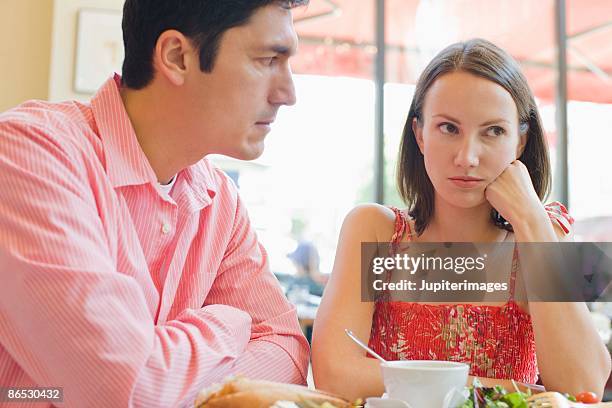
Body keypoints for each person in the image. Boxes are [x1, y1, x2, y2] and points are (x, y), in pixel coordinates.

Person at [0, 1, 310, 406]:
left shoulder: (220, 203)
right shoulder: (30, 155)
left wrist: (166, 374)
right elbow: (122, 391)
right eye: (268, 59)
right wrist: (229, 324)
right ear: (177, 57)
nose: (288, 94)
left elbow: (288, 355)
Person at [311, 39, 611, 401]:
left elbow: (584, 387)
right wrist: (492, 389)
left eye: (493, 131)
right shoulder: (374, 230)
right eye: (449, 128)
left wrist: (531, 221)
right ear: (419, 134)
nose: (468, 157)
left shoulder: (543, 236)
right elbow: (335, 375)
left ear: (520, 141)